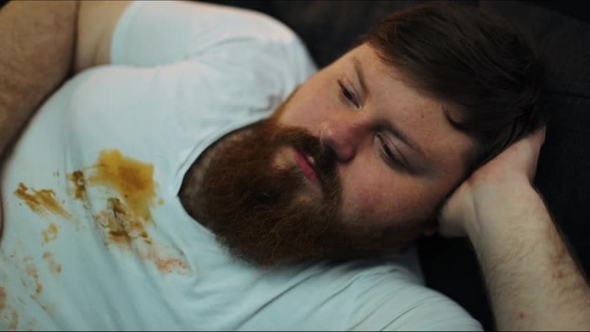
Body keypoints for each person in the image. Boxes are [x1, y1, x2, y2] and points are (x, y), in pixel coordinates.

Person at [0, 0, 588, 330]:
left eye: (392, 151)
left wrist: (507, 206)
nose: (334, 135)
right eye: (348, 90)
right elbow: (67, 12)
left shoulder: (383, 317)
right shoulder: (253, 51)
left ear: (440, 212)